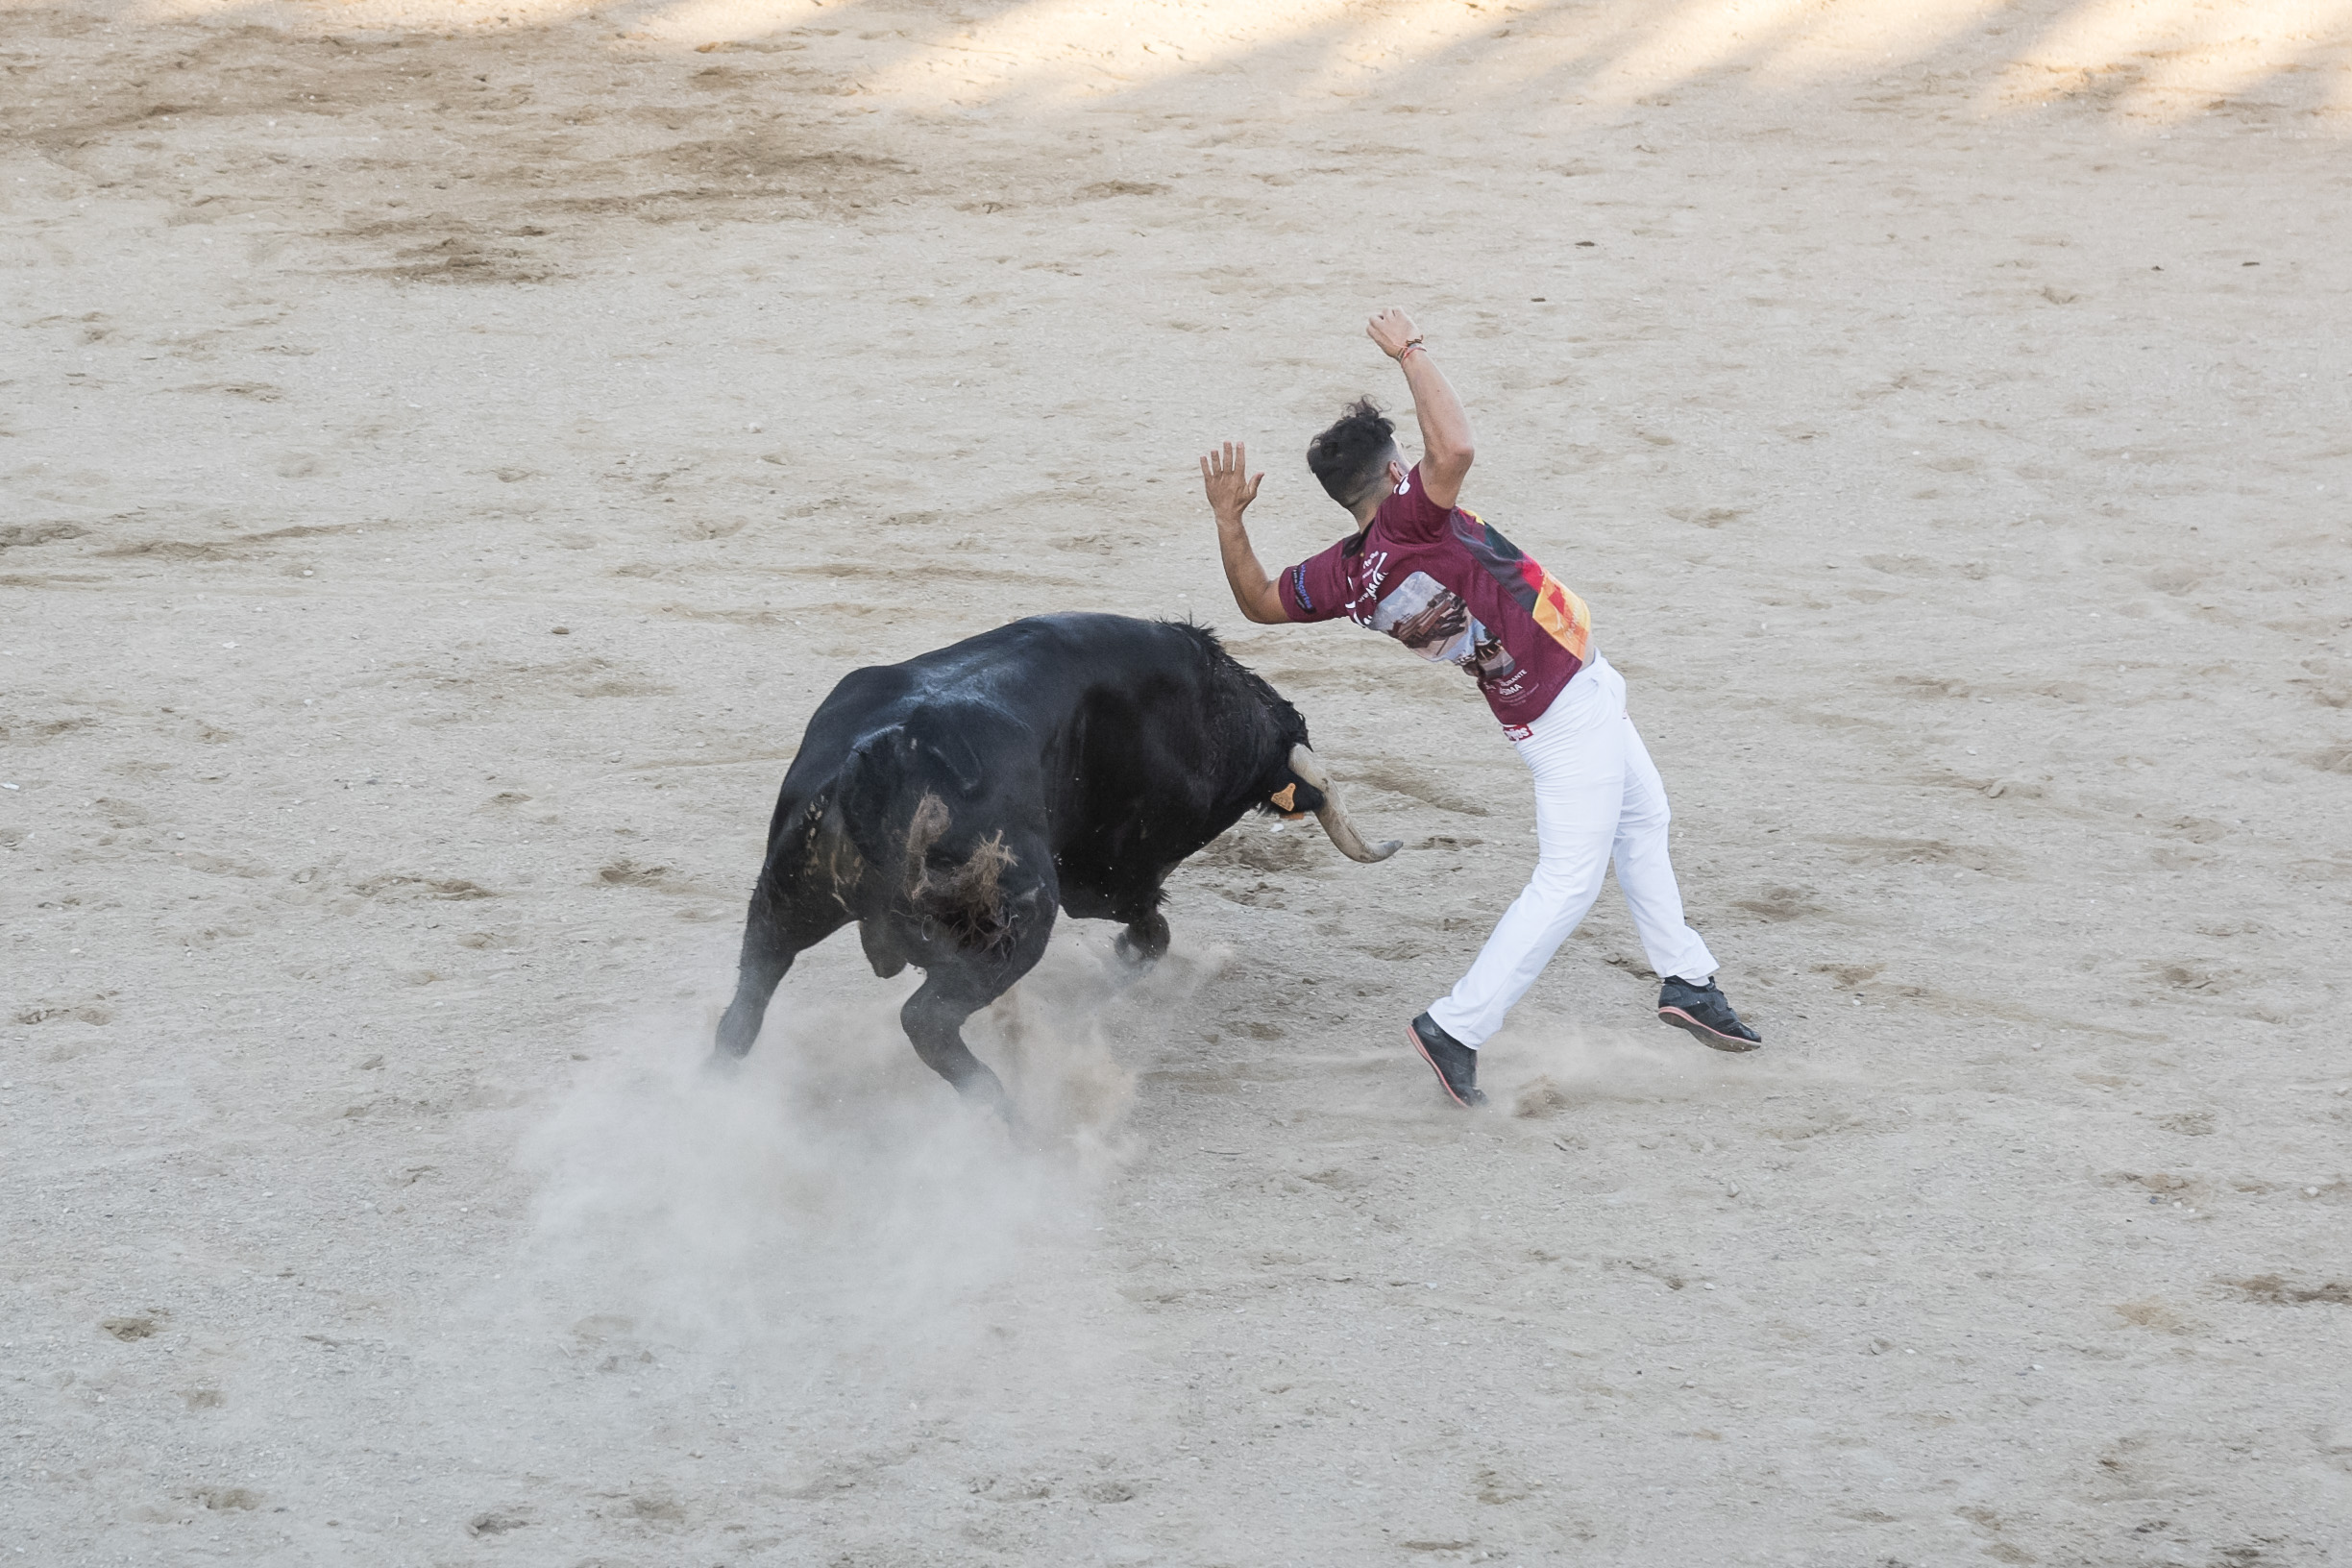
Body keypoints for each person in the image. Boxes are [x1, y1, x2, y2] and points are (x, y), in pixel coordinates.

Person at [1199, 308, 1760, 1108]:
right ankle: (1456, 1026)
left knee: (1644, 821)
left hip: (1550, 702)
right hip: (1565, 709)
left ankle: (1689, 981)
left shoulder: (1345, 572)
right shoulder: (1411, 518)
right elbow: (1456, 446)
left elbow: (1257, 600)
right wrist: (1411, 354)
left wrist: (1229, 522)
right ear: (1395, 474)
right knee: (1568, 881)